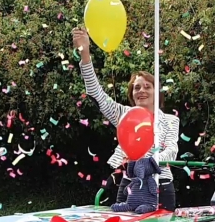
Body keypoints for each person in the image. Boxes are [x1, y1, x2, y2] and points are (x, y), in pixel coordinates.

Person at [72, 28, 180, 211]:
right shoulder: (124, 115)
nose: (142, 91)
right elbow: (95, 93)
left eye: (147, 86)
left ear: (156, 92)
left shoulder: (170, 120)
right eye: (136, 88)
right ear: (131, 94)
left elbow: (172, 150)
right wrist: (85, 54)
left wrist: (149, 163)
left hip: (161, 186)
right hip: (130, 186)